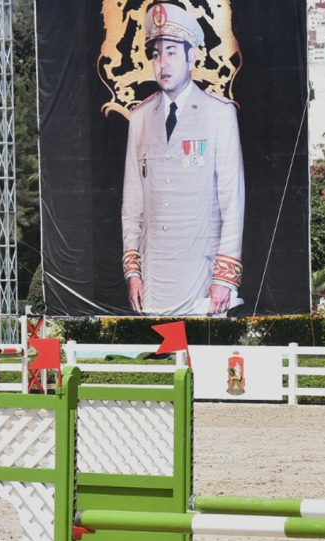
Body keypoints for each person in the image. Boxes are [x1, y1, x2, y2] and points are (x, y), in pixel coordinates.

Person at [121, 2, 244, 316]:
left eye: (172, 52)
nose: (162, 63)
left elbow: (232, 202)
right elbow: (132, 204)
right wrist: (133, 272)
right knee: (158, 362)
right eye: (156, 53)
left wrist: (223, 278)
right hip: (155, 278)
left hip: (202, 280)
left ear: (192, 57)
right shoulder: (140, 118)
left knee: (208, 362)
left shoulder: (219, 114)